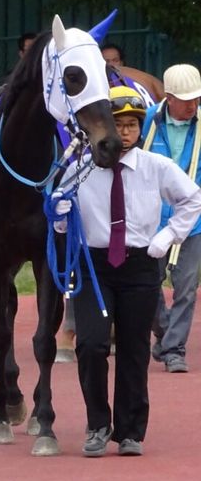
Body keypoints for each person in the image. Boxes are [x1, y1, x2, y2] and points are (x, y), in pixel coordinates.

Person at [52, 86, 201, 456]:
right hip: (94, 266)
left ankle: (130, 431)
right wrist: (58, 216)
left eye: (133, 125)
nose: (126, 132)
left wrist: (167, 236)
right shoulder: (81, 167)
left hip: (139, 265)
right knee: (91, 345)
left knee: (134, 349)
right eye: (119, 125)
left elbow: (193, 198)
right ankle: (97, 425)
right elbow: (60, 214)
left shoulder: (155, 166)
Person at [143, 65, 201, 374]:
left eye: (197, 98)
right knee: (148, 283)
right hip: (151, 219)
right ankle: (164, 333)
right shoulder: (147, 121)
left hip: (193, 221)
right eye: (186, 99)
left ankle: (175, 350)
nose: (192, 105)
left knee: (186, 288)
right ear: (169, 97)